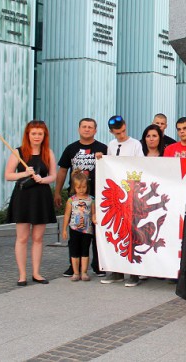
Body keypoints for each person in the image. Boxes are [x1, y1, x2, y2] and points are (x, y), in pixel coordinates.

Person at [5, 120, 57, 286]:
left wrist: (43, 179)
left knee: (38, 237)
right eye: (33, 133)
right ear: (28, 135)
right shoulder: (18, 152)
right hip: (23, 197)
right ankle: (22, 275)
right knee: (22, 237)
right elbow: (8, 175)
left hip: (41, 196)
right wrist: (24, 173)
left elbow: (53, 175)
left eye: (40, 134)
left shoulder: (48, 152)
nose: (36, 137)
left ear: (44, 135)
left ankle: (36, 273)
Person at [54, 118, 107, 278]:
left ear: (95, 130)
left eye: (90, 127)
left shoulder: (103, 148)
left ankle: (98, 265)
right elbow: (63, 171)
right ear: (79, 129)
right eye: (84, 126)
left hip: (97, 197)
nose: (87, 129)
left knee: (96, 232)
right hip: (76, 197)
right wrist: (57, 192)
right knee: (75, 233)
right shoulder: (71, 148)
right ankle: (74, 266)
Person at [100, 115, 144, 287]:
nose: (121, 135)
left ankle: (134, 272)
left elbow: (142, 165)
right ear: (112, 132)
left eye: (123, 131)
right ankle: (116, 271)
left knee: (132, 231)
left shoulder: (135, 144)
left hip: (132, 192)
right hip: (118, 192)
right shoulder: (111, 145)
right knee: (117, 231)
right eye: (118, 133)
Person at [61, 170, 97, 282]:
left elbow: (93, 213)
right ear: (74, 187)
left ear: (87, 186)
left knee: (85, 250)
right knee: (74, 250)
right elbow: (67, 215)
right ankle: (76, 272)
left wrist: (94, 219)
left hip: (87, 229)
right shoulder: (71, 200)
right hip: (74, 229)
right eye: (78, 187)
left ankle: (84, 272)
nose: (81, 190)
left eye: (84, 187)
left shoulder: (91, 199)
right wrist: (64, 229)